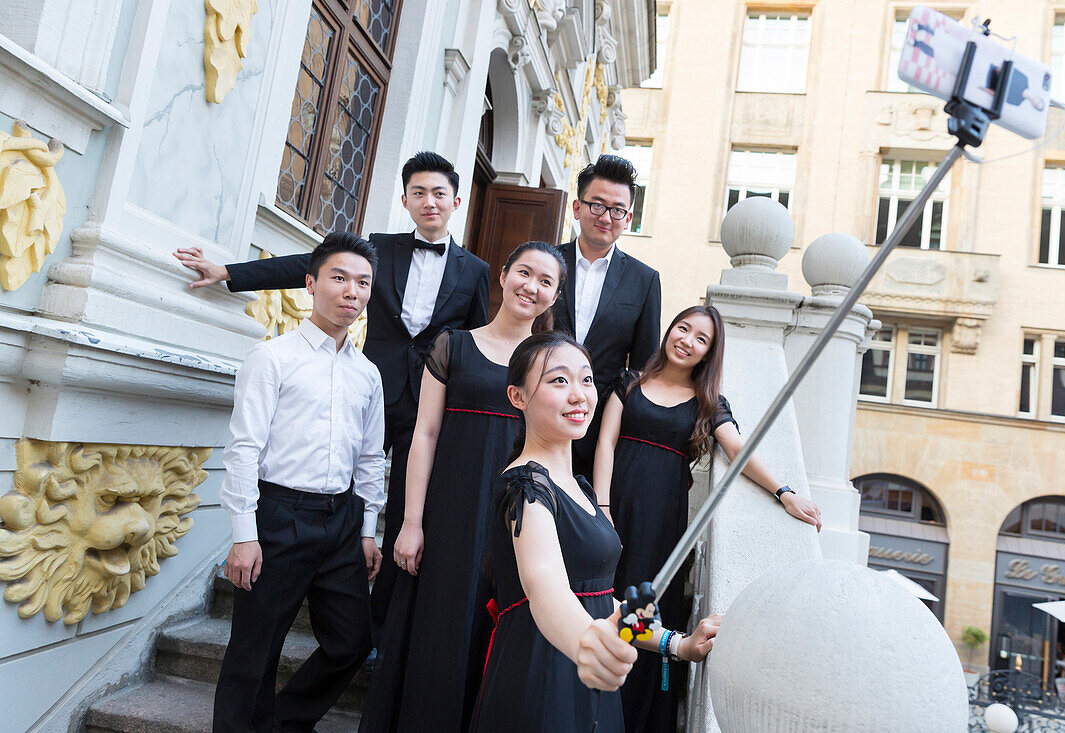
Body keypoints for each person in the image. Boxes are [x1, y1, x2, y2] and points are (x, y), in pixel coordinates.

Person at [174, 151, 491, 633]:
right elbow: (310, 265)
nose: (430, 202)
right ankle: (321, 577)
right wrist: (231, 274)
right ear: (405, 199)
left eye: (439, 193)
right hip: (365, 386)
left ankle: (382, 625)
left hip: (428, 406)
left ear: (456, 201)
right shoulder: (378, 249)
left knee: (409, 512)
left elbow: (477, 340)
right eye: (419, 193)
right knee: (339, 486)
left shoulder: (476, 270)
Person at [361, 241, 567, 732]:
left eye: (545, 282)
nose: (530, 287)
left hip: (517, 517)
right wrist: (409, 523)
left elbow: (561, 446)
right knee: (437, 631)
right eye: (524, 273)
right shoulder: (452, 344)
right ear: (502, 274)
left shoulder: (554, 363)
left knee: (498, 632)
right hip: (448, 512)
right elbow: (424, 436)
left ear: (554, 296)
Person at [473, 331, 722, 732]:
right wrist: (586, 643)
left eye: (586, 379)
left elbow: (600, 602)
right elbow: (544, 585)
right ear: (518, 397)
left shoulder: (580, 487)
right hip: (543, 675)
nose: (579, 395)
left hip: (590, 676)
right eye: (558, 380)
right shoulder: (526, 487)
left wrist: (677, 644)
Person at [592, 305, 822, 733]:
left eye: (702, 339)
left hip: (662, 528)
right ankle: (589, 704)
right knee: (601, 599)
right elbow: (605, 443)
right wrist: (602, 509)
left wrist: (784, 492)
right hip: (612, 512)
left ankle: (627, 715)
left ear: (708, 354)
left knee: (641, 609)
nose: (688, 341)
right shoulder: (629, 382)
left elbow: (738, 451)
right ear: (669, 331)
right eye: (683, 329)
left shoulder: (708, 402)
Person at [213, 233, 386, 733]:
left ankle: (286, 722)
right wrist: (245, 534)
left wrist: (367, 529)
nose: (350, 291)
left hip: (342, 521)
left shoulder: (367, 374)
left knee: (352, 643)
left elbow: (371, 457)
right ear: (310, 284)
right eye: (338, 278)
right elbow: (244, 448)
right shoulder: (272, 358)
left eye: (362, 283)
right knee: (254, 651)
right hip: (280, 516)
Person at [553, 155, 662, 480]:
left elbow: (643, 366)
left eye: (617, 210)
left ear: (628, 217)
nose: (606, 216)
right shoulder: (545, 261)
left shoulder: (644, 280)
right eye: (596, 205)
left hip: (597, 428)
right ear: (577, 208)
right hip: (533, 413)